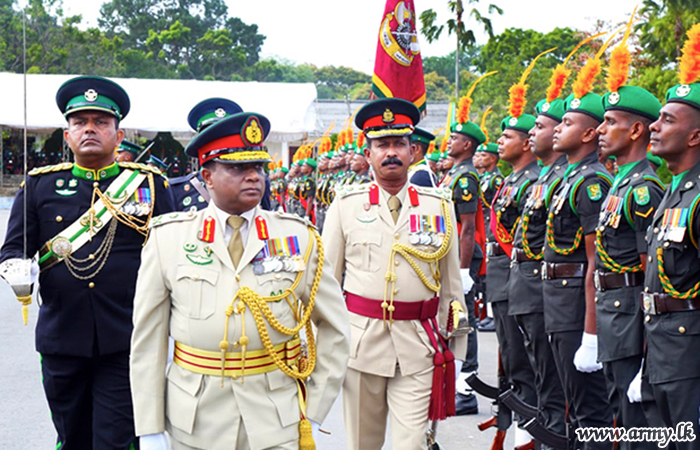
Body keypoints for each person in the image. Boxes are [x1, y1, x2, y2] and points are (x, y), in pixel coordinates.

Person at [130, 111, 350, 450]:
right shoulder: (168, 239)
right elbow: (148, 342)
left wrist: (316, 412)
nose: (253, 177)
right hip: (195, 419)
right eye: (237, 168)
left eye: (258, 167)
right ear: (207, 177)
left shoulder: (299, 237)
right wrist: (149, 426)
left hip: (277, 418)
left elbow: (335, 330)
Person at [0, 75, 175, 449]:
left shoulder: (150, 184)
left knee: (117, 440)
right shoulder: (39, 186)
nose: (90, 130)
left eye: (101, 123)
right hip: (63, 335)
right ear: (67, 136)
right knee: (72, 437)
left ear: (118, 133)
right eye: (80, 123)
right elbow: (13, 248)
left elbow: (173, 255)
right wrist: (17, 269)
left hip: (128, 335)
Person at [323, 98, 466, 450]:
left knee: (412, 444)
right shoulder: (345, 206)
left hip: (418, 344)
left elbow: (451, 285)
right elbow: (324, 284)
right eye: (382, 145)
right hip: (361, 344)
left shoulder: (439, 205)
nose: (391, 152)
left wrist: (458, 347)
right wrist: (324, 347)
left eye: (399, 144)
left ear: (413, 151)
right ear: (368, 153)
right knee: (363, 443)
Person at [593, 30, 664, 450]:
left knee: (635, 424)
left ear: (637, 130)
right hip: (611, 316)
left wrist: (644, 350)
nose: (602, 130)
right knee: (619, 412)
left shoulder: (644, 190)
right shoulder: (621, 185)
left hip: (630, 318)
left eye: (611, 123)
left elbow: (648, 270)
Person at [634, 24, 700, 449]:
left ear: (695, 136)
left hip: (689, 353)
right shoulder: (675, 188)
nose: (653, 127)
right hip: (660, 346)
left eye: (666, 120)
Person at [545, 50, 614, 448]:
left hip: (574, 304)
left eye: (567, 123)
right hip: (557, 300)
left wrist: (591, 332)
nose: (557, 129)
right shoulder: (571, 179)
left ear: (589, 134)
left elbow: (594, 262)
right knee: (571, 401)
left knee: (590, 409)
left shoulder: (592, 183)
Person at [510, 93, 569, 445]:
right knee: (535, 374)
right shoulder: (546, 178)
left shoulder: (571, 180)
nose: (533, 133)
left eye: (541, 126)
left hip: (548, 293)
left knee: (554, 385)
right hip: (527, 287)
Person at [441, 73, 496, 416]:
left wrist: (462, 271)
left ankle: (467, 388)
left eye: (455, 138)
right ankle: (457, 382)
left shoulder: (466, 177)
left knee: (465, 322)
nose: (449, 141)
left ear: (469, 145)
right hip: (451, 256)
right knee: (454, 319)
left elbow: (466, 228)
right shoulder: (453, 173)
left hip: (465, 257)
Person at [170, 97, 243, 212]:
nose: (219, 146)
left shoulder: (250, 185)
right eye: (210, 139)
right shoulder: (178, 189)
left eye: (225, 138)